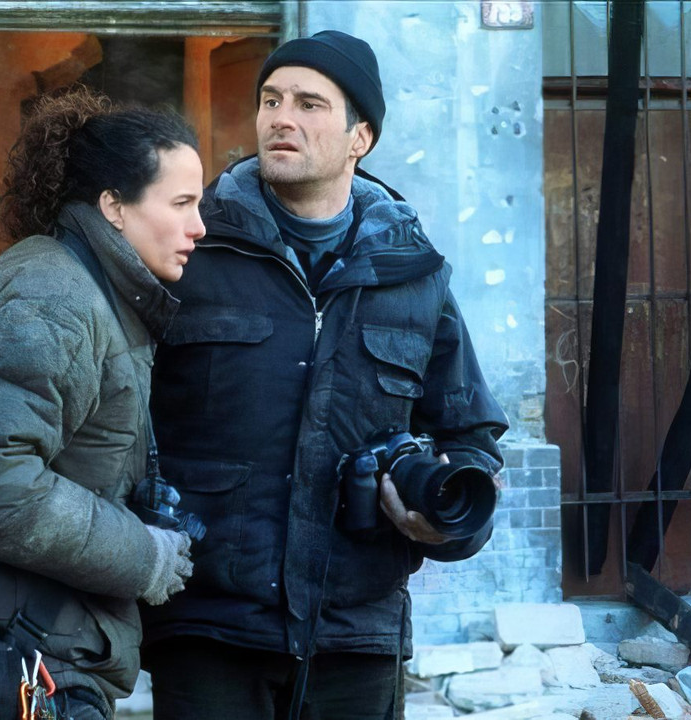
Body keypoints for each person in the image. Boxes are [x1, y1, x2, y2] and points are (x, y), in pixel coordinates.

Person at [142, 31, 509, 719]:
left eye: (310, 104)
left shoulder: (414, 274)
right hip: (209, 627)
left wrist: (447, 523)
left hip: (357, 632)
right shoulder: (192, 249)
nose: (282, 118)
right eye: (271, 100)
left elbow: (471, 439)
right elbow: (118, 412)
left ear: (359, 138)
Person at [0, 87, 204, 720]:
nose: (198, 226)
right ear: (113, 206)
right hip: (16, 661)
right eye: (181, 204)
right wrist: (141, 554)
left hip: (32, 645)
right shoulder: (55, 299)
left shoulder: (87, 286)